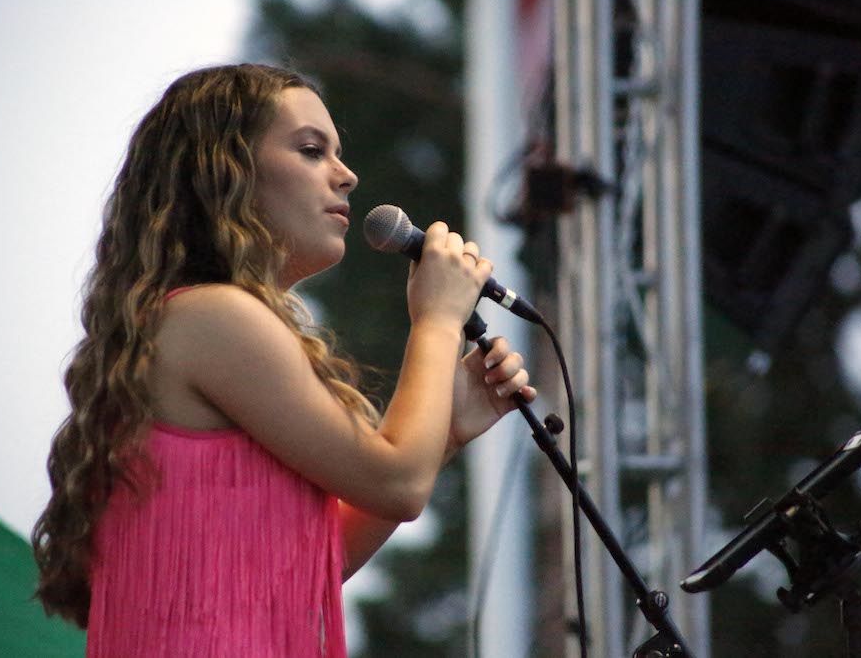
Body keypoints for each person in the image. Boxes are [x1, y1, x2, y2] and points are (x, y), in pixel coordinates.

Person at [31, 63, 536, 656]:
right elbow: (397, 481)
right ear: (226, 173)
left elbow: (305, 569)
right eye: (311, 150)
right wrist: (437, 319)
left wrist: (443, 432)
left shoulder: (201, 323)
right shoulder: (211, 317)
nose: (346, 176)